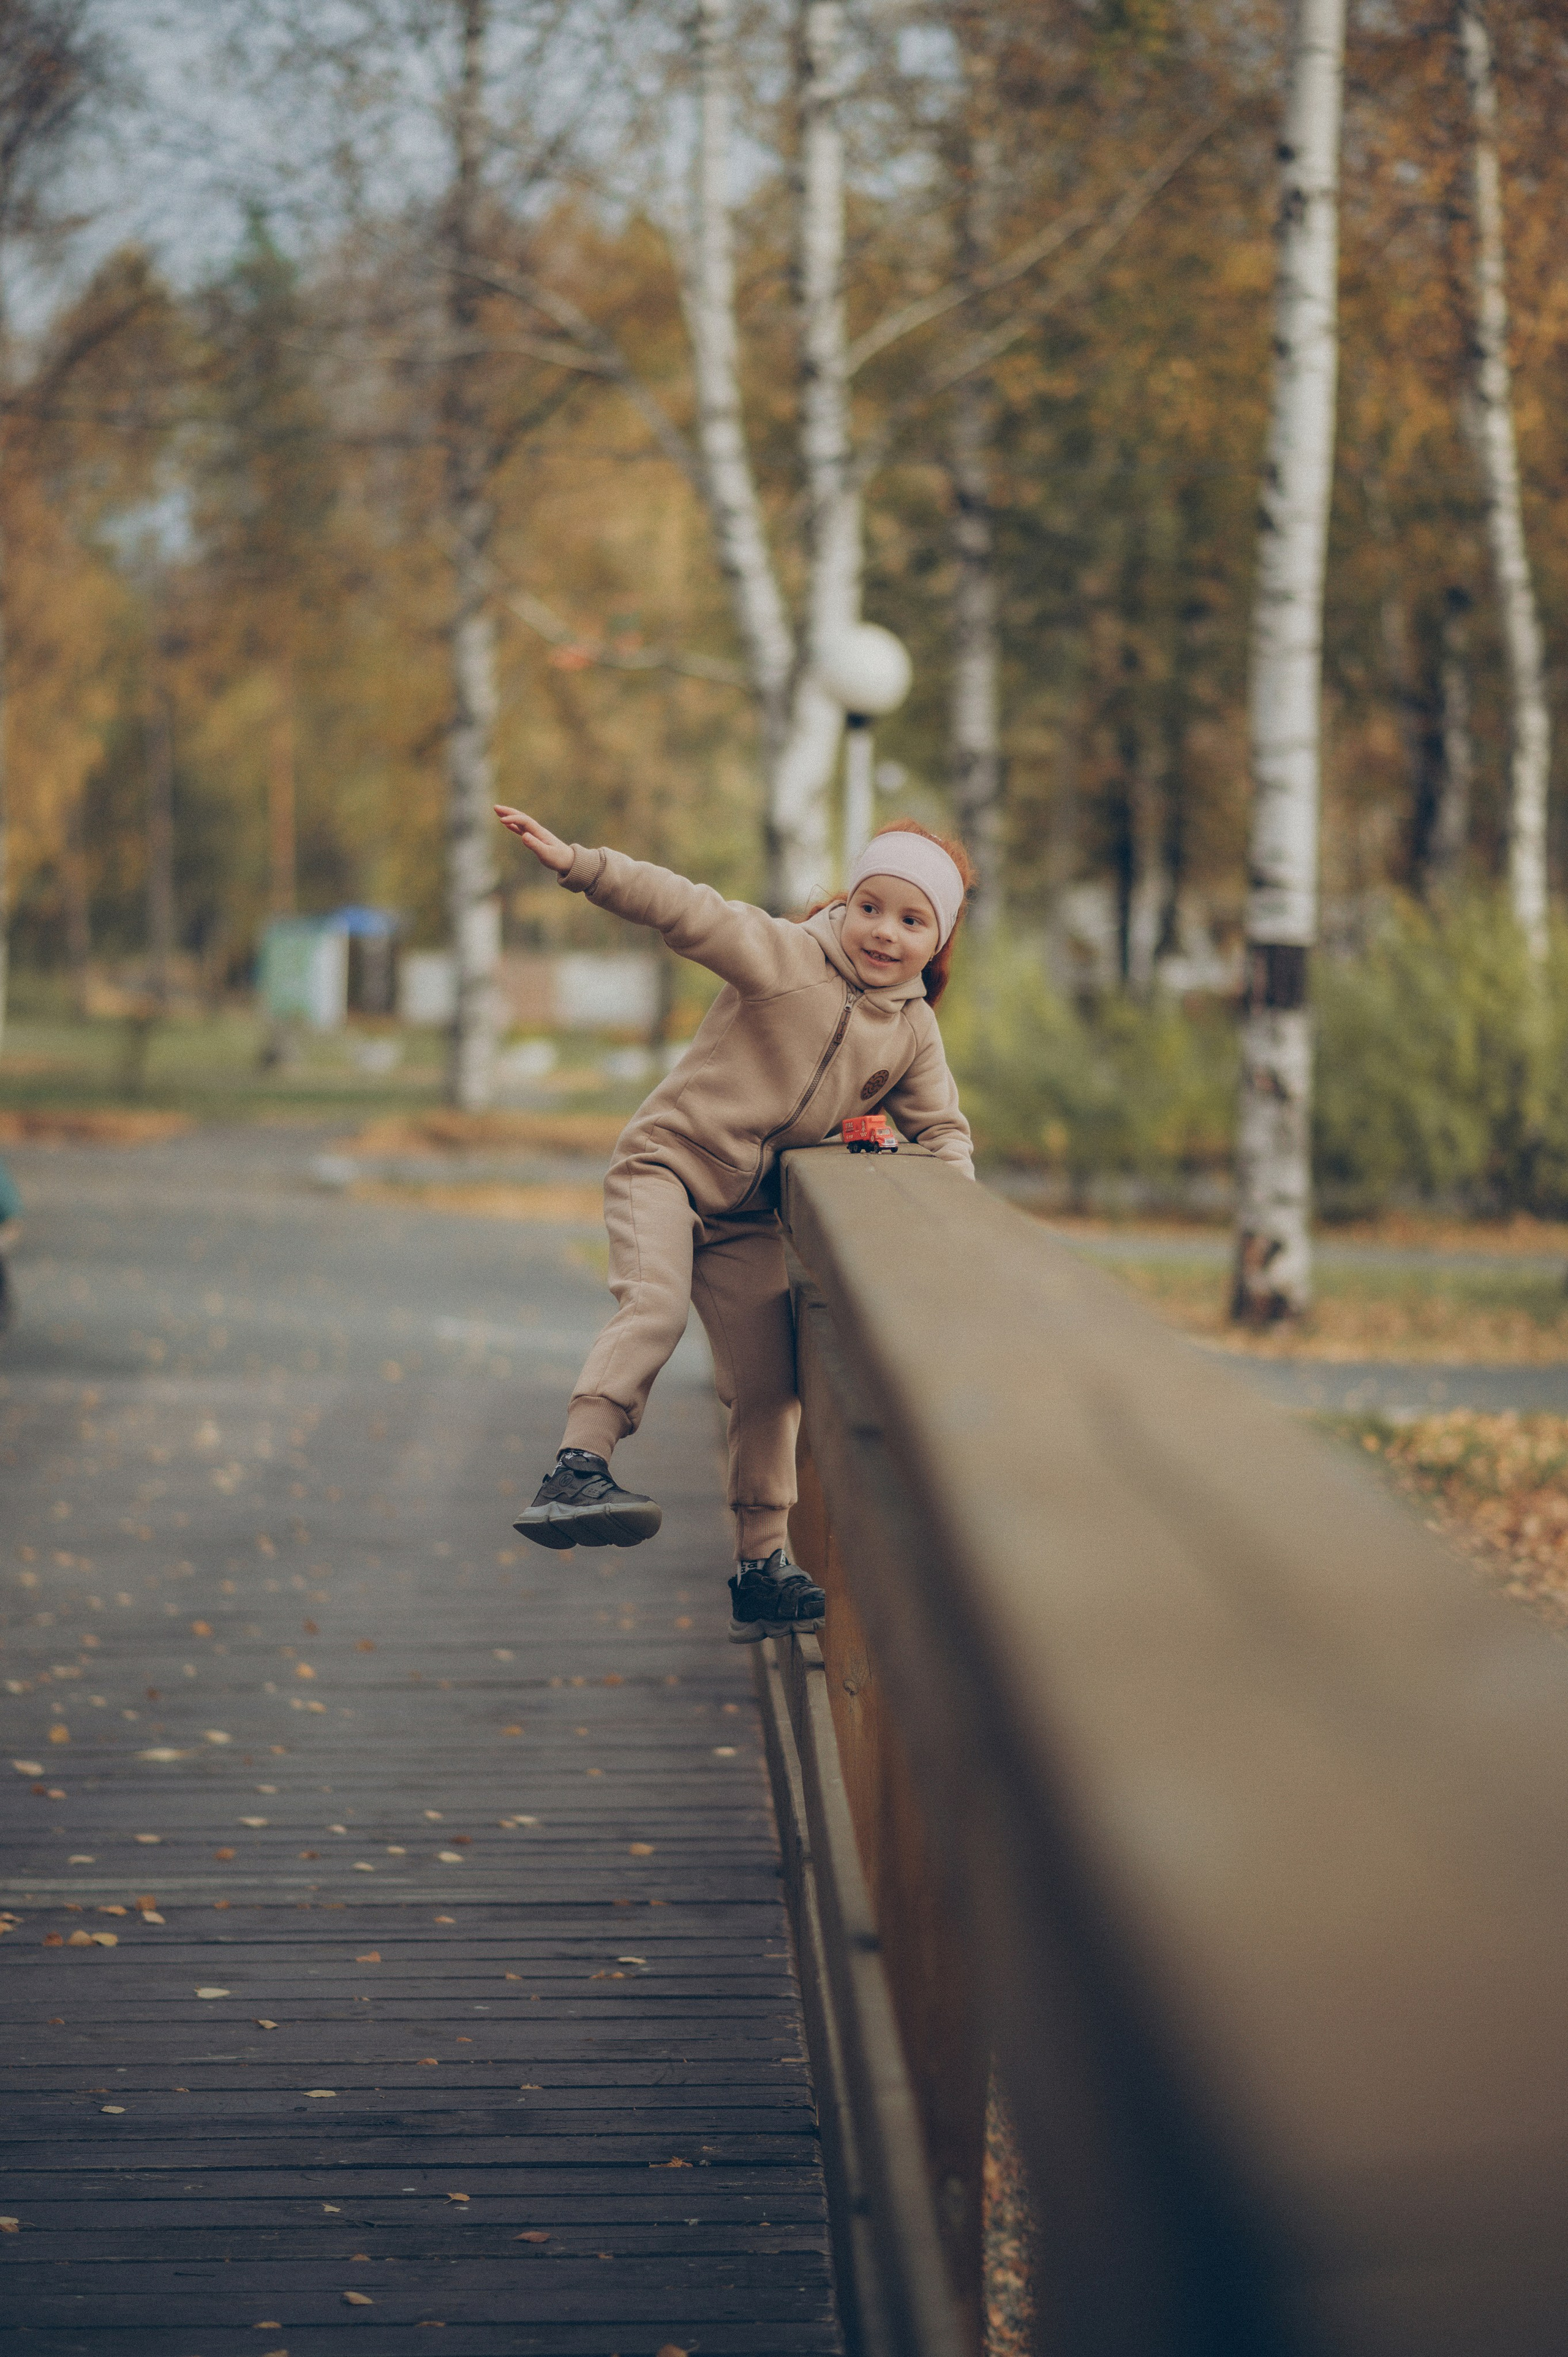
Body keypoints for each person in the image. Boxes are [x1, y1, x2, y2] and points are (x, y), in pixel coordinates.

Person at [493, 804, 976, 1642]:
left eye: (910, 920)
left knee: (772, 1383)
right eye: (870, 907)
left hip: (751, 1215)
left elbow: (944, 1133)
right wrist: (578, 862)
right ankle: (578, 1467)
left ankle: (761, 1567)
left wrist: (948, 1208)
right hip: (667, 1169)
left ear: (938, 940)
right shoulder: (786, 957)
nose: (883, 933)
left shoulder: (913, 1032)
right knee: (654, 1305)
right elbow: (683, 906)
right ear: (847, 902)